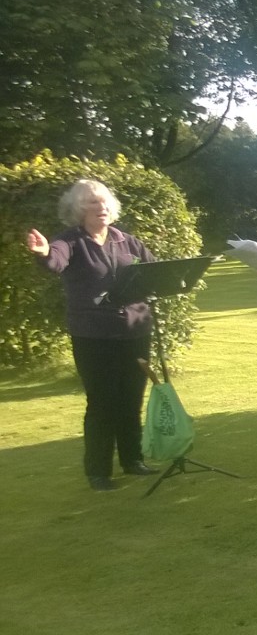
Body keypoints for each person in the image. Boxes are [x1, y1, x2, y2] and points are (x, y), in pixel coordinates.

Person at [26, 180, 161, 491]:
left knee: (131, 398)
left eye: (102, 202)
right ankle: (98, 471)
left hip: (135, 331)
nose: (99, 208)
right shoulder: (70, 242)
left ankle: (133, 459)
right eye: (91, 203)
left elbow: (155, 270)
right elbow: (55, 260)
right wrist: (44, 252)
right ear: (77, 210)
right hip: (94, 335)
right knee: (102, 402)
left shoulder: (126, 241)